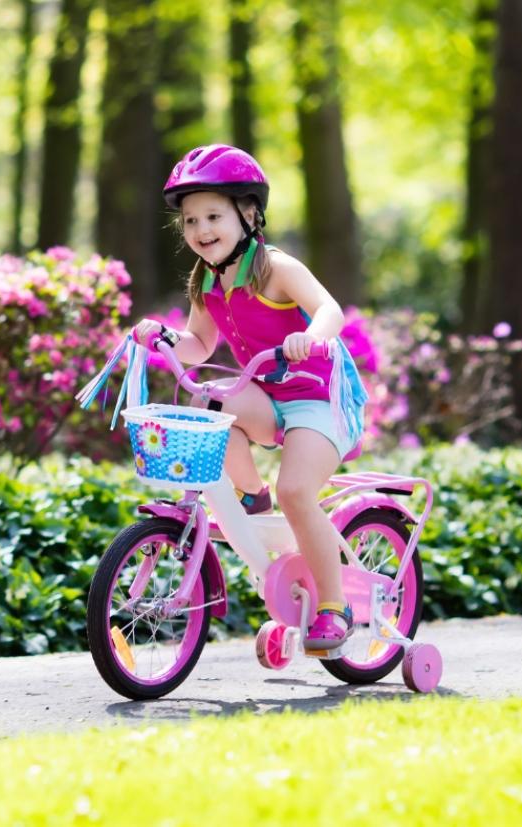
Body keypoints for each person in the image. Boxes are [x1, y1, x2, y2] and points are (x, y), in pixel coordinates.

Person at [134, 144, 367, 651]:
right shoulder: (208, 282)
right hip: (267, 393)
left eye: (213, 215)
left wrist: (313, 337)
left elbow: (330, 310)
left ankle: (334, 605)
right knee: (209, 405)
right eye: (191, 220)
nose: (201, 230)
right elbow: (200, 346)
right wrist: (165, 340)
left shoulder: (277, 268)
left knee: (299, 493)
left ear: (248, 213)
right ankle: (249, 495)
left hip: (319, 397)